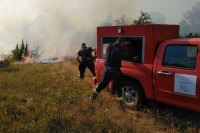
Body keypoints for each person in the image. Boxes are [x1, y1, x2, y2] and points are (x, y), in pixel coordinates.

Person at [90, 37, 127, 109]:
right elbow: (125, 56)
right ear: (122, 43)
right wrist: (126, 47)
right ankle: (121, 105)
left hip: (106, 70)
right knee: (120, 87)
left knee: (102, 84)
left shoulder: (109, 46)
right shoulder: (121, 50)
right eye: (124, 43)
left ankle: (93, 96)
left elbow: (114, 48)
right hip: (116, 71)